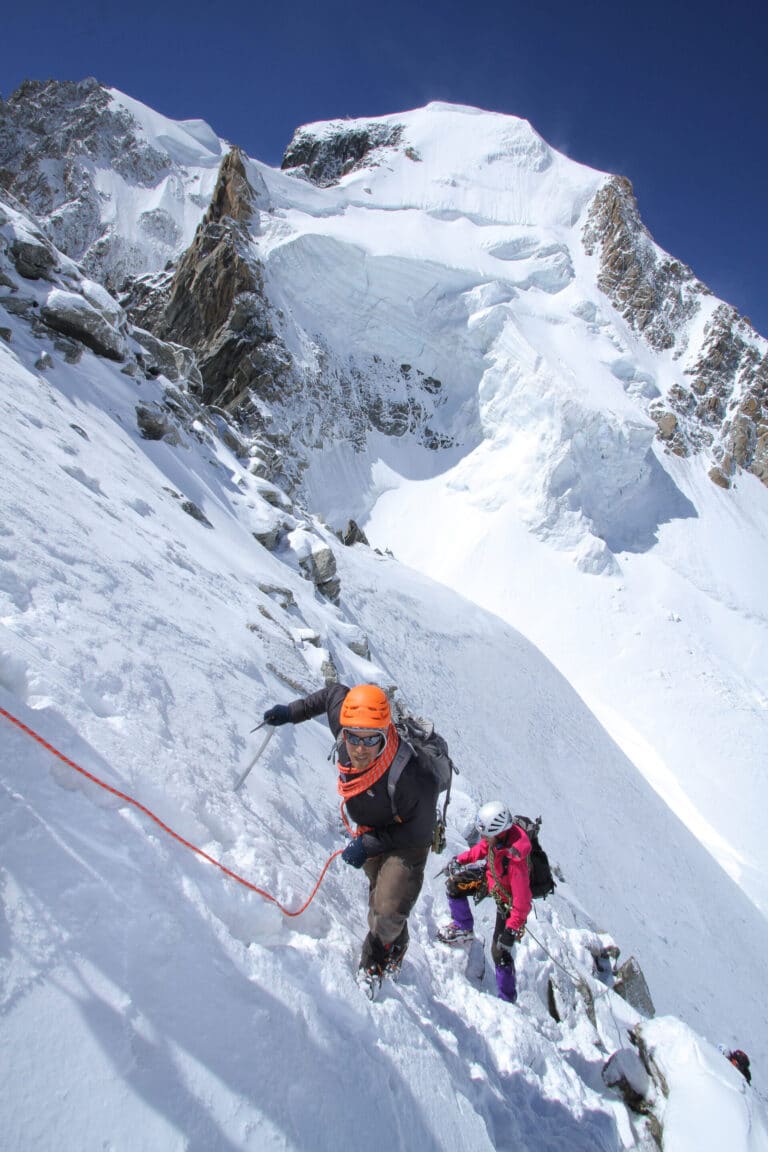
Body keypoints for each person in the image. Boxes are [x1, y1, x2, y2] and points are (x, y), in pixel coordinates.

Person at [263, 682, 438, 986]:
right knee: (380, 888)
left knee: (385, 911)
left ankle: (380, 955)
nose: (359, 748)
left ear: (385, 734)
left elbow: (420, 831)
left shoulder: (415, 777)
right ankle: (394, 927)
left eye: (371, 740)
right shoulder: (349, 732)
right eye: (353, 738)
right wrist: (290, 712)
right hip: (372, 829)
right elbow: (333, 693)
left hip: (407, 839)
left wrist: (369, 843)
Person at [437, 800, 532, 1003]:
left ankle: (507, 999)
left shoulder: (516, 862)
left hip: (508, 901)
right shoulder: (496, 841)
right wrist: (460, 860)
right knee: (455, 885)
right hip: (492, 880)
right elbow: (482, 849)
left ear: (499, 833)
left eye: (486, 835)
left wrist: (512, 930)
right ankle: (463, 927)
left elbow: (522, 903)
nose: (483, 838)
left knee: (500, 950)